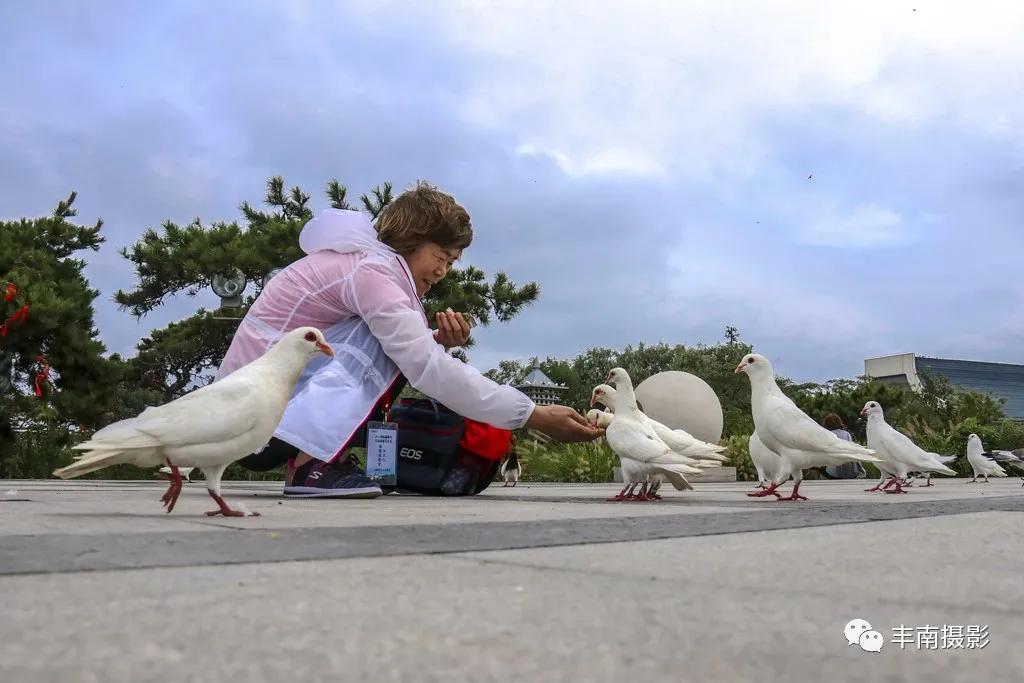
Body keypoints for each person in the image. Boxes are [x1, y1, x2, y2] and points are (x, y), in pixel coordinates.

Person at [215, 182, 603, 498]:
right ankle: (311, 467)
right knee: (386, 339)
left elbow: (418, 355)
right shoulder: (373, 274)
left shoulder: (363, 265)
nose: (442, 271)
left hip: (252, 416)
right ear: (412, 240)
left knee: (398, 340)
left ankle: (316, 456)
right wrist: (532, 414)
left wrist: (434, 340)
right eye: (441, 256)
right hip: (250, 420)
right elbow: (425, 366)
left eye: (451, 262)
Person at [821, 413, 866, 479]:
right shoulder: (847, 434)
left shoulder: (825, 435)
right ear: (839, 423)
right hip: (850, 472)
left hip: (833, 474)